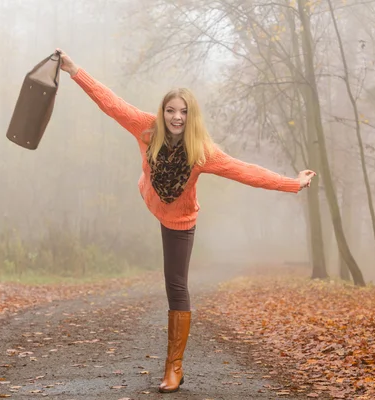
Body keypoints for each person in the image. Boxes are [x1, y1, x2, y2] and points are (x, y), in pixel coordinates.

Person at [55, 48, 316, 393]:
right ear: (162, 112)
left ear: (191, 117)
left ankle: (173, 368)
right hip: (151, 199)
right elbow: (110, 102)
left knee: (175, 285)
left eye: (183, 112)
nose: (176, 117)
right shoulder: (146, 129)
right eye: (170, 110)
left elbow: (246, 171)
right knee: (169, 268)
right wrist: (74, 69)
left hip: (180, 220)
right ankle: (173, 367)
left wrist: (292, 183)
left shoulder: (202, 152)